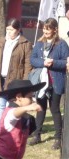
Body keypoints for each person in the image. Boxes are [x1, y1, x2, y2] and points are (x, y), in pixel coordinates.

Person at [0, 18, 32, 139]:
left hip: (15, 81)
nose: (8, 32)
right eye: (7, 29)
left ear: (18, 30)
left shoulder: (25, 44)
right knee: (1, 105)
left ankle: (12, 130)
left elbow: (28, 65)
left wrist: (25, 81)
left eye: (11, 30)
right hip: (1, 79)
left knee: (12, 106)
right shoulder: (1, 42)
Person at [28, 18, 69, 150]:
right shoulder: (39, 44)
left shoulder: (62, 44)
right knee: (40, 108)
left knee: (55, 109)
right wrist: (43, 63)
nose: (45, 31)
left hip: (55, 81)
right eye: (44, 28)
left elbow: (65, 62)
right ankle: (37, 134)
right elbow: (32, 60)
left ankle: (58, 138)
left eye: (48, 28)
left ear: (54, 29)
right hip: (41, 82)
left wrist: (53, 63)